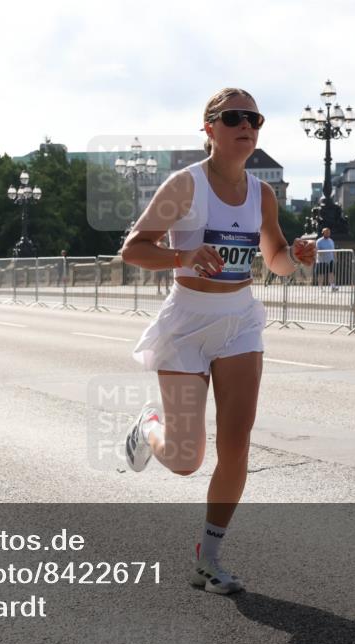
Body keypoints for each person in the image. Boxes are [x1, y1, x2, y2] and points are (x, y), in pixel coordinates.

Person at [120, 88, 315, 595]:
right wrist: (182, 258)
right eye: (233, 117)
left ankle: (208, 558)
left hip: (238, 322)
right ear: (209, 127)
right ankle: (148, 427)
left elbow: (273, 260)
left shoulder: (262, 194)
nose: (246, 125)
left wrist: (295, 258)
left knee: (236, 446)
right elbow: (134, 250)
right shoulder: (184, 186)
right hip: (186, 324)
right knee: (186, 459)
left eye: (254, 117)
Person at [314, 227, 337, 291]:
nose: (328, 233)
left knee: (331, 273)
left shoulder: (331, 240)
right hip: (321, 260)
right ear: (323, 233)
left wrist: (335, 258)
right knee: (321, 274)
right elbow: (317, 250)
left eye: (329, 232)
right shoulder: (319, 241)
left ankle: (333, 286)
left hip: (330, 260)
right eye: (326, 232)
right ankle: (320, 287)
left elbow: (333, 250)